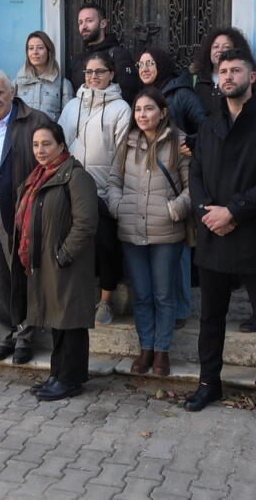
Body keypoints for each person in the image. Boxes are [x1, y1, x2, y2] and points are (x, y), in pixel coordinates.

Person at [185, 49, 256, 424]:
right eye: (223, 71)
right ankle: (208, 383)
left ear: (252, 76)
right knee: (211, 318)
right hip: (213, 234)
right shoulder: (209, 124)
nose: (228, 76)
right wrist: (207, 212)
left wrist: (233, 212)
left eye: (235, 70)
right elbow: (195, 175)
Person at [0, 68, 51, 366]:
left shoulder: (35, 121)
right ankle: (3, 336)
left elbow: (51, 164)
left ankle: (25, 337)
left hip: (19, 209)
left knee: (22, 273)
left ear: (12, 91)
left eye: (0, 93)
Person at [106, 87, 190, 377]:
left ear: (163, 112)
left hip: (166, 232)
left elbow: (193, 186)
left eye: (149, 108)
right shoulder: (127, 142)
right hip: (131, 231)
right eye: (138, 109)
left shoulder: (179, 142)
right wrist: (117, 206)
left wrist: (175, 210)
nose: (142, 115)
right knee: (141, 295)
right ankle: (146, 348)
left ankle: (162, 350)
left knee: (164, 294)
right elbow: (113, 180)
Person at [14, 122, 98, 401]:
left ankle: (70, 380)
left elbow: (86, 223)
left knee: (70, 322)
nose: (40, 150)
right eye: (36, 145)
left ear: (61, 145)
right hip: (46, 262)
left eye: (46, 144)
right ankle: (58, 374)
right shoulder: (39, 176)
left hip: (68, 264)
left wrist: (63, 255)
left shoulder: (76, 177)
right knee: (57, 322)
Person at [135, 46, 206, 328]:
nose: (145, 69)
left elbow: (206, 127)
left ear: (162, 65)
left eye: (150, 63)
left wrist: (192, 143)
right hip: (149, 183)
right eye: (141, 65)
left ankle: (180, 310)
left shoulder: (182, 94)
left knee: (180, 252)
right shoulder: (141, 97)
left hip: (178, 178)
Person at [60, 50, 130, 325]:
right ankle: (77, 297)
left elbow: (122, 153)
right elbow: (61, 145)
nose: (93, 77)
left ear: (111, 74)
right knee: (75, 246)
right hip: (72, 190)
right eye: (89, 72)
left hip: (103, 191)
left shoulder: (121, 108)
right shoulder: (72, 106)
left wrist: (112, 190)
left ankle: (105, 302)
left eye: (99, 71)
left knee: (106, 247)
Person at [69, 3, 142, 104]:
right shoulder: (77, 61)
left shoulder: (118, 55)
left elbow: (128, 95)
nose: (83, 26)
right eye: (80, 22)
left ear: (103, 24)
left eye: (89, 21)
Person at [191, 27, 253, 117]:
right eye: (215, 47)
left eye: (226, 47)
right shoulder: (196, 79)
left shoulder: (243, 79)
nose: (220, 50)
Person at [15, 30, 74, 122]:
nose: (35, 52)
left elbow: (68, 121)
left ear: (49, 51)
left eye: (40, 48)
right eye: (31, 48)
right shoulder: (17, 83)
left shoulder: (63, 85)